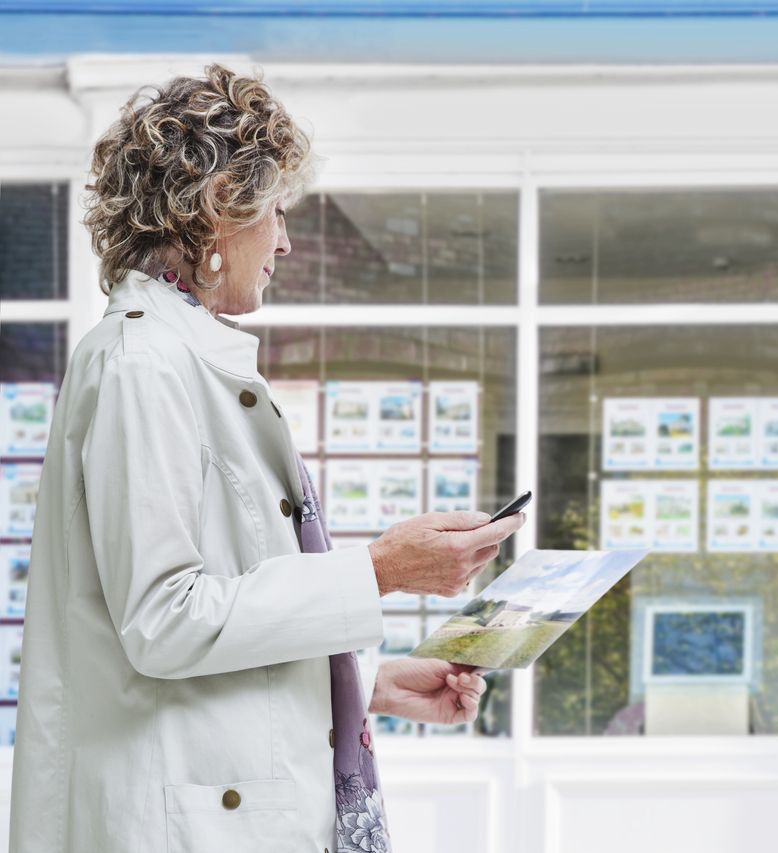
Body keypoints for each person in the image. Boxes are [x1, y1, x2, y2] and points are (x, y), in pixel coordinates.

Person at [8, 62, 523, 853]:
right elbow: (164, 620)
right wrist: (380, 571)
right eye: (277, 211)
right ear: (219, 207)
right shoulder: (142, 362)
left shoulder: (178, 356)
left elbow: (214, 619)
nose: (284, 239)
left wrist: (365, 684)